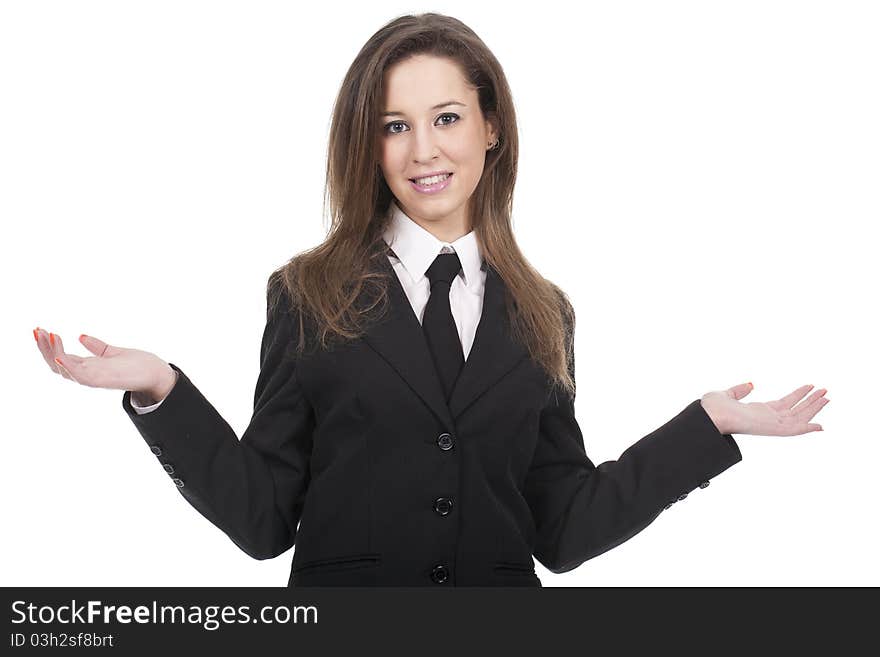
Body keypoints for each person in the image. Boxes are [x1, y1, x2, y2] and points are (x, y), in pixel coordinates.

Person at [33, 13, 829, 587]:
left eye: (446, 117)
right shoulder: (308, 293)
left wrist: (707, 427)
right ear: (367, 144)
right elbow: (264, 520)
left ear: (490, 128)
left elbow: (560, 527)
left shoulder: (545, 311)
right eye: (393, 125)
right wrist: (161, 390)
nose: (423, 150)